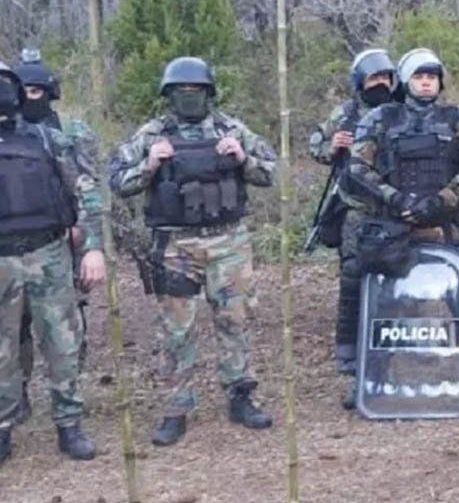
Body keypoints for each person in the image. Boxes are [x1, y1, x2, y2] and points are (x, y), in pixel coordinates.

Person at [109, 56, 276, 447]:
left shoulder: (230, 128)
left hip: (228, 240)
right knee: (176, 329)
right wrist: (148, 166)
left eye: (196, 90)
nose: (189, 97)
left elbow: (271, 171)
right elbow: (116, 179)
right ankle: (176, 407)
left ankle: (240, 395)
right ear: (168, 95)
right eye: (181, 91)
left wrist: (243, 158)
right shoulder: (152, 134)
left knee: (235, 320)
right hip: (175, 244)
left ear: (209, 93)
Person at [342, 48, 459, 402]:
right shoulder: (381, 118)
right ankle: (371, 380)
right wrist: (396, 200)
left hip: (446, 223)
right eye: (419, 76)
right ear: (406, 80)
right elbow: (357, 168)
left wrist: (439, 202)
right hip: (392, 224)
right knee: (380, 301)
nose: (426, 82)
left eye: (432, 77)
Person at [0, 61, 106, 464]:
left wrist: (92, 247)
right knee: (4, 349)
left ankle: (68, 423)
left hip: (48, 254)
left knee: (63, 342)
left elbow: (85, 192)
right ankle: (4, 427)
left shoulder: (47, 140)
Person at [308, 48, 395, 407]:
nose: (380, 85)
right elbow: (314, 144)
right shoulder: (344, 114)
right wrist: (332, 145)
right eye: (373, 79)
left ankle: (390, 363)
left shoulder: (401, 110)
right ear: (360, 82)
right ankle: (353, 363)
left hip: (393, 209)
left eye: (385, 79)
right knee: (353, 281)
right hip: (355, 210)